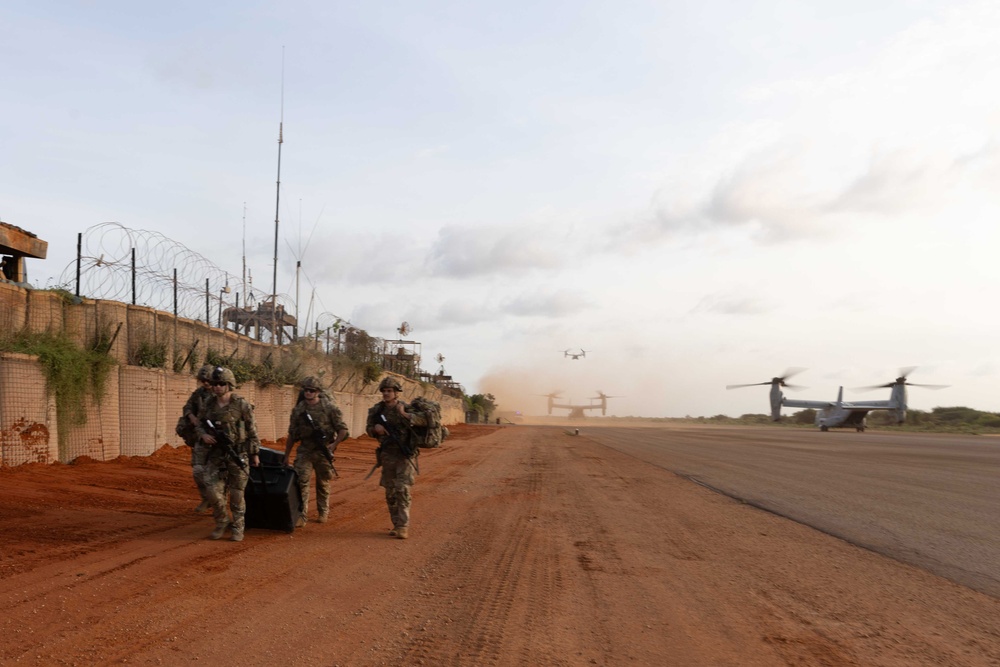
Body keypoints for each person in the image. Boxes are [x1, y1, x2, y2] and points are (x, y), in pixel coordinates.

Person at [195, 366, 261, 542]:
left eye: (221, 383)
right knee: (211, 488)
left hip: (238, 453)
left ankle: (238, 528)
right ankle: (222, 521)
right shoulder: (208, 403)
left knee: (237, 494)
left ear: (229, 385)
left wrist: (254, 454)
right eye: (215, 383)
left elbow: (252, 430)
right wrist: (204, 435)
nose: (217, 387)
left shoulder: (241, 404)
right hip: (216, 454)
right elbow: (200, 423)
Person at [283, 376, 348, 526]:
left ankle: (323, 511)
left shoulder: (330, 408)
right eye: (306, 390)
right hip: (305, 449)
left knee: (323, 482)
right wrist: (287, 455)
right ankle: (302, 515)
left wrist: (333, 445)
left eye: (312, 390)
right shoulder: (299, 410)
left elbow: (343, 429)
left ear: (318, 392)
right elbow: (292, 434)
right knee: (301, 482)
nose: (308, 393)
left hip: (323, 450)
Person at [366, 376, 426, 539]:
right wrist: (375, 429)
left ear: (396, 393)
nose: (386, 394)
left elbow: (423, 421)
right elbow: (368, 428)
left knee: (403, 489)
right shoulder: (377, 411)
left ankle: (403, 525)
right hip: (387, 454)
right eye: (384, 391)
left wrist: (405, 415)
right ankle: (396, 524)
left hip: (404, 455)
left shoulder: (405, 408)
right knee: (390, 492)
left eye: (390, 391)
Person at [177, 364, 215, 513]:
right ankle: (206, 498)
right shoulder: (198, 394)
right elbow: (187, 407)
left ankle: (219, 501)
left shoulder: (221, 394)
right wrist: (191, 417)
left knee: (220, 472)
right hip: (201, 436)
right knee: (198, 470)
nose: (205, 383)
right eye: (202, 380)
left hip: (217, 438)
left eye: (208, 380)